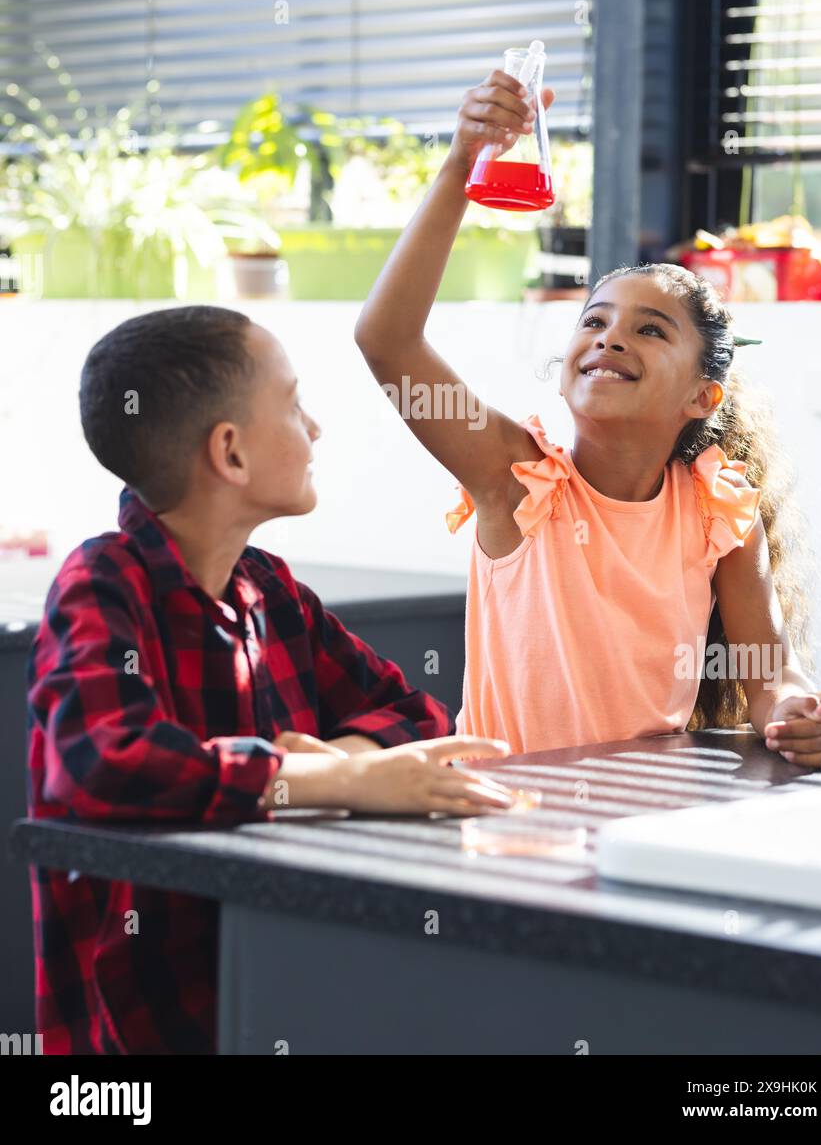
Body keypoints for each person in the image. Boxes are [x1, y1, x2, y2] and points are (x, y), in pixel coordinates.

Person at [27, 305, 514, 1054]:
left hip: (276, 985)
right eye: (292, 404)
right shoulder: (101, 581)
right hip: (141, 1028)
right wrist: (331, 782)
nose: (314, 428)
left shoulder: (268, 588)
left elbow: (413, 710)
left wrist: (343, 760)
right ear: (230, 452)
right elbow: (103, 765)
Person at [354, 68, 821, 764]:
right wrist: (463, 162)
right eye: (594, 321)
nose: (609, 338)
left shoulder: (719, 511)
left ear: (701, 399)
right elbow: (386, 340)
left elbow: (769, 680)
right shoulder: (516, 478)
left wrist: (797, 711)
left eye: (650, 331)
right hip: (507, 821)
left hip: (648, 812)